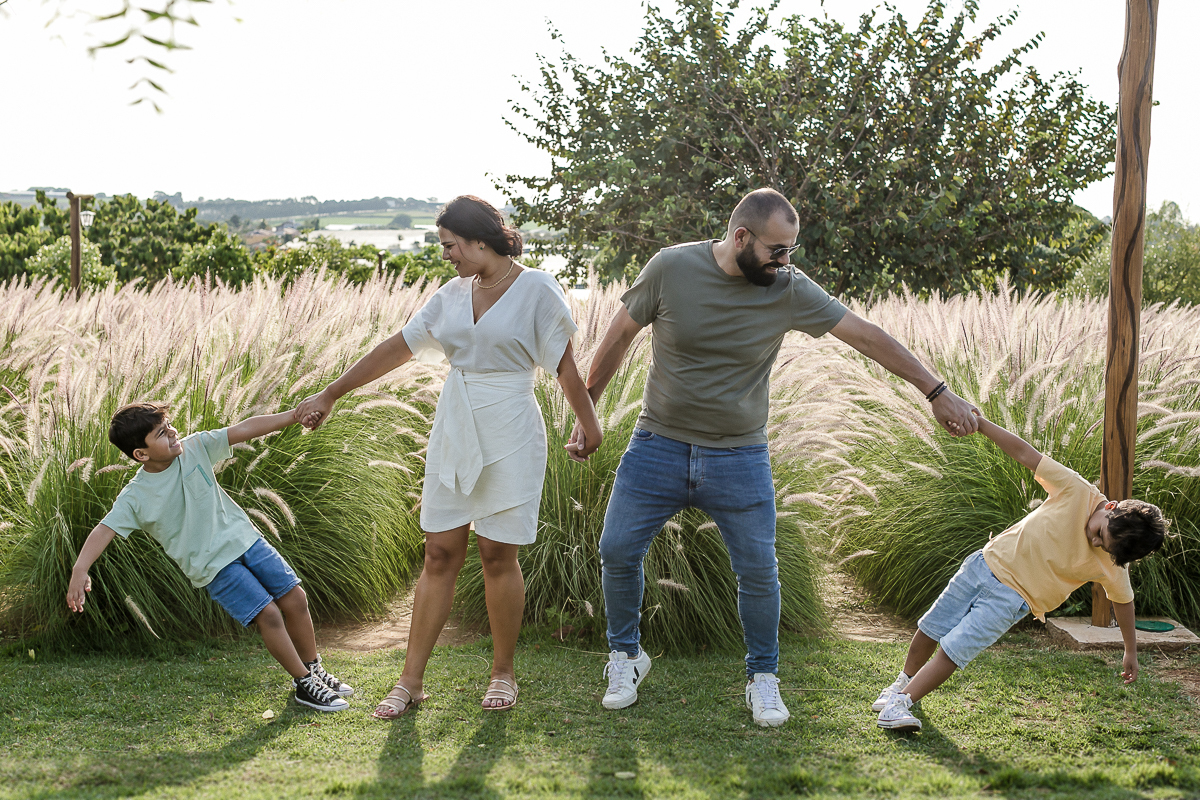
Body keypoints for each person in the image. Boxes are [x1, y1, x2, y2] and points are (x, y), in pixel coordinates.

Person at [568, 188, 979, 728]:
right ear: (741, 237)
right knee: (617, 549)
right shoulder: (670, 268)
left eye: (791, 250)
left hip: (739, 457)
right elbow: (619, 336)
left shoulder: (787, 287)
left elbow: (866, 336)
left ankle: (763, 676)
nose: (785, 261)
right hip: (658, 445)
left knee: (759, 572)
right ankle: (626, 656)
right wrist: (588, 414)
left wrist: (935, 391)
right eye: (776, 250)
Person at [297, 195, 602, 718]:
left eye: (450, 245)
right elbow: (397, 347)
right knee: (438, 553)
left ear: (480, 240)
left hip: (510, 426)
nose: (446, 255)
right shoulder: (451, 295)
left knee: (497, 554)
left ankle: (502, 673)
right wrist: (331, 392)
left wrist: (588, 423)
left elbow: (564, 365)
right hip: (455, 426)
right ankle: (410, 681)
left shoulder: (537, 288)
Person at [873, 412, 1170, 732]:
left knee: (954, 649)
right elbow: (1027, 454)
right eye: (1100, 533)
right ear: (1110, 507)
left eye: (1105, 547)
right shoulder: (1077, 490)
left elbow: (1123, 601)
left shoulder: (1111, 563)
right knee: (932, 628)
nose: (1095, 542)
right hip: (983, 565)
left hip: (1012, 601)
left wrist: (1130, 649)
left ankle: (900, 704)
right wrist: (982, 425)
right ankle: (899, 685)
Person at [67, 402, 353, 712]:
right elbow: (104, 529)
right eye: (161, 433)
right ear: (141, 454)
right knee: (269, 614)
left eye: (169, 424)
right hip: (213, 566)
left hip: (247, 541)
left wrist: (294, 416)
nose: (173, 432)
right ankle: (304, 684)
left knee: (296, 598)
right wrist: (80, 569)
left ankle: (313, 668)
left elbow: (244, 429)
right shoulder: (135, 496)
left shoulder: (195, 447)